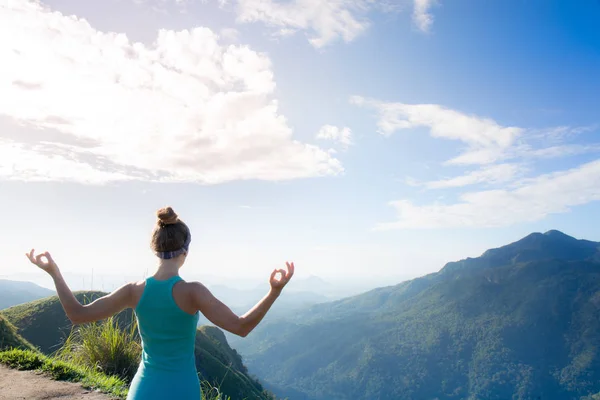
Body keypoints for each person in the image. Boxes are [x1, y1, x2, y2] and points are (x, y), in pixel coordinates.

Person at [25, 206, 295, 400]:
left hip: (143, 391)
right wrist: (274, 291)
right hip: (183, 391)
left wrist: (54, 273)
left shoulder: (134, 291)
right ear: (186, 251)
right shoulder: (193, 292)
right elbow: (242, 326)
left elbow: (77, 314)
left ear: (154, 250)